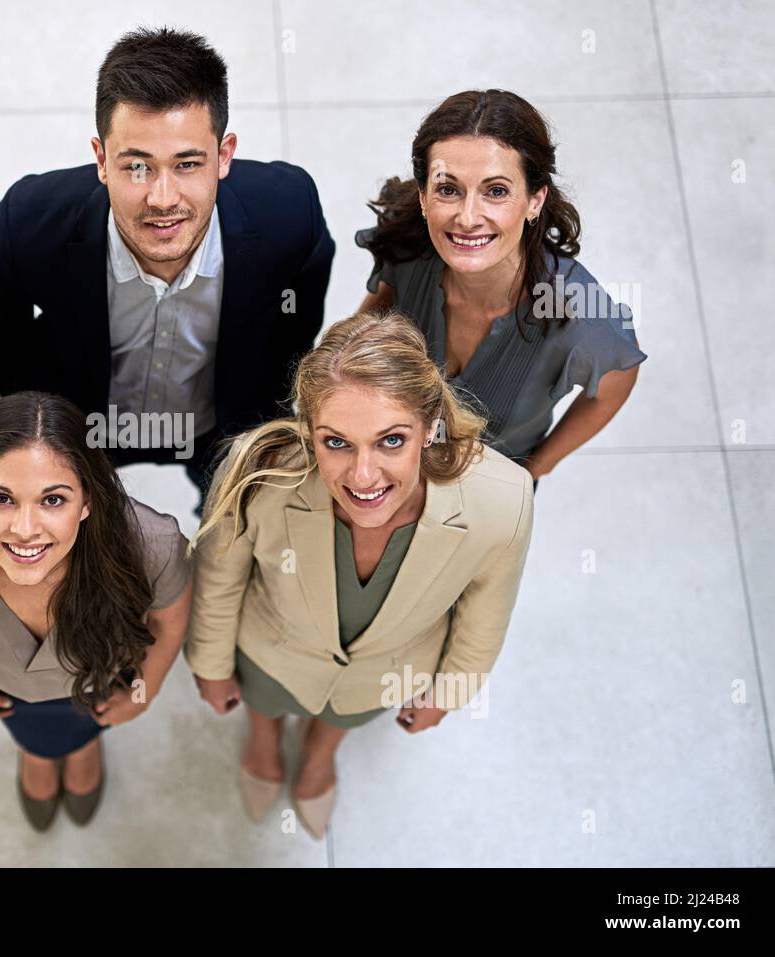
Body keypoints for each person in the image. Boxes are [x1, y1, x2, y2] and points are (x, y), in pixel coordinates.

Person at [185, 311, 534, 839]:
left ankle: (320, 756)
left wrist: (449, 693)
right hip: (270, 649)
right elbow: (218, 582)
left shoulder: (503, 499)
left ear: (430, 426)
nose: (363, 476)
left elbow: (485, 616)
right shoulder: (258, 472)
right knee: (265, 701)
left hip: (386, 672)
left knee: (342, 718)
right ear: (309, 433)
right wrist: (211, 666)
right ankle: (263, 742)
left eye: (391, 441)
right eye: (336, 442)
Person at [0, 27, 335, 511]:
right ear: (101, 160)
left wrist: (268, 404)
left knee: (236, 529)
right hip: (85, 423)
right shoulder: (31, 220)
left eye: (187, 164)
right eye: (137, 167)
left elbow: (297, 321)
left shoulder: (289, 213)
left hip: (221, 424)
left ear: (224, 156)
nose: (163, 199)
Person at [0, 391, 192, 831]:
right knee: (33, 736)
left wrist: (145, 690)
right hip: (1, 688)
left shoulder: (152, 546)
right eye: (2, 499)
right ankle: (36, 752)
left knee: (85, 729)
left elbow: (168, 619)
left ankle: (83, 749)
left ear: (87, 500)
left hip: (98, 680)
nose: (25, 531)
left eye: (53, 500)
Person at [356, 89, 646, 488]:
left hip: (486, 488)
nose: (468, 217)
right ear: (423, 197)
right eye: (448, 189)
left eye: (496, 191)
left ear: (534, 200)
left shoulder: (584, 317)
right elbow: (372, 318)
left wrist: (534, 469)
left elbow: (615, 385)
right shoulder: (409, 245)